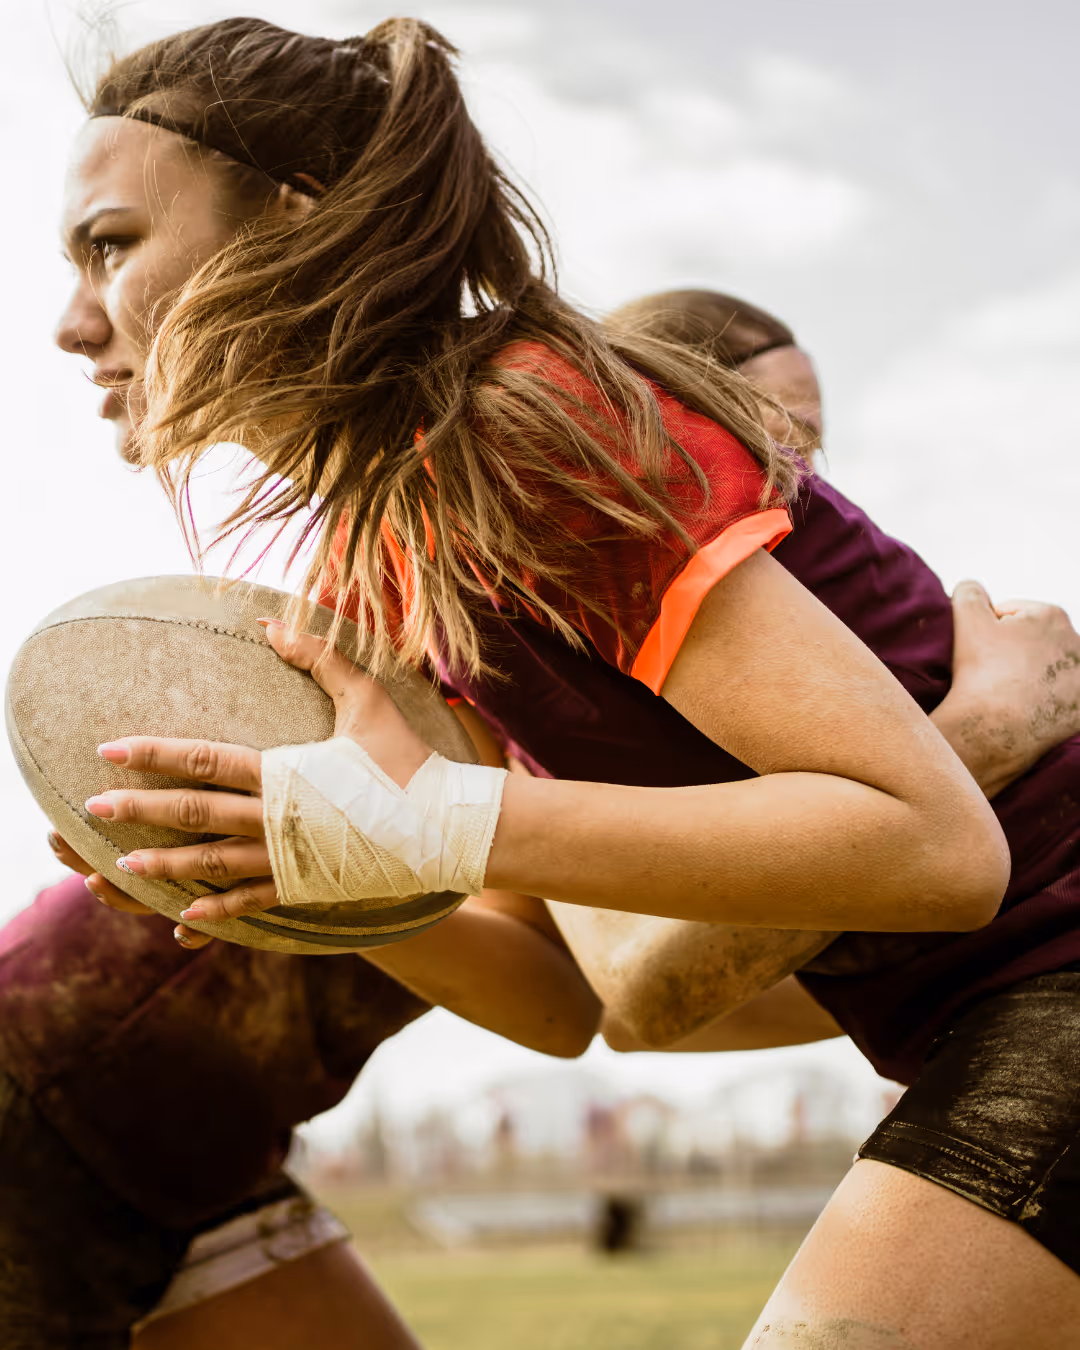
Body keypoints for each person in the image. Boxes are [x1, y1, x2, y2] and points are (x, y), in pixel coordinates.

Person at [46, 16, 1075, 1348]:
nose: (75, 322)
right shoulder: (380, 559)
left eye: (112, 245)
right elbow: (555, 995)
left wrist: (418, 821)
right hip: (971, 1023)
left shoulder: (515, 423)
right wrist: (296, 872)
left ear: (285, 226)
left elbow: (939, 846)